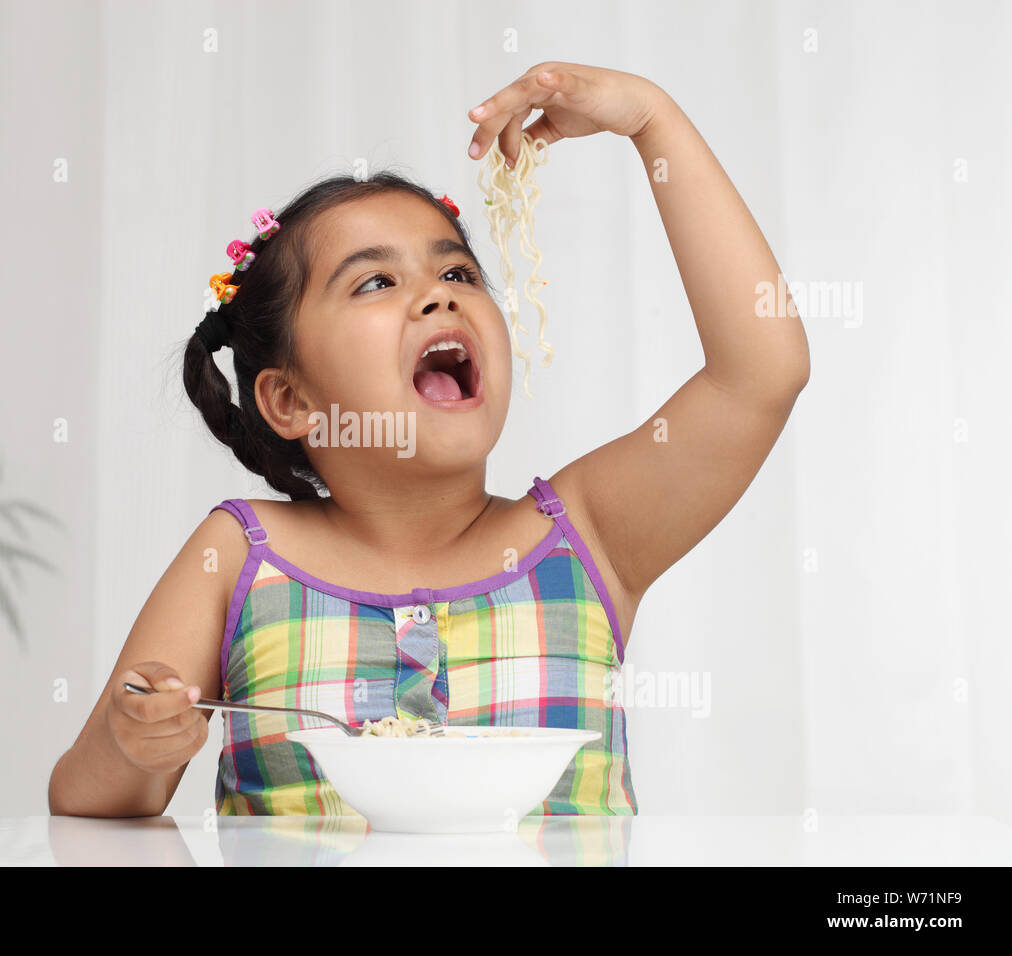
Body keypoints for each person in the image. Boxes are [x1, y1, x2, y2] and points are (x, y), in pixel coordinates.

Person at [49, 60, 810, 819]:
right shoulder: (238, 557)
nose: (439, 292)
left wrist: (653, 122)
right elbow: (90, 802)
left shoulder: (588, 535)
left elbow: (761, 373)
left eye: (460, 272)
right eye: (375, 282)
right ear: (288, 398)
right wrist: (135, 742)